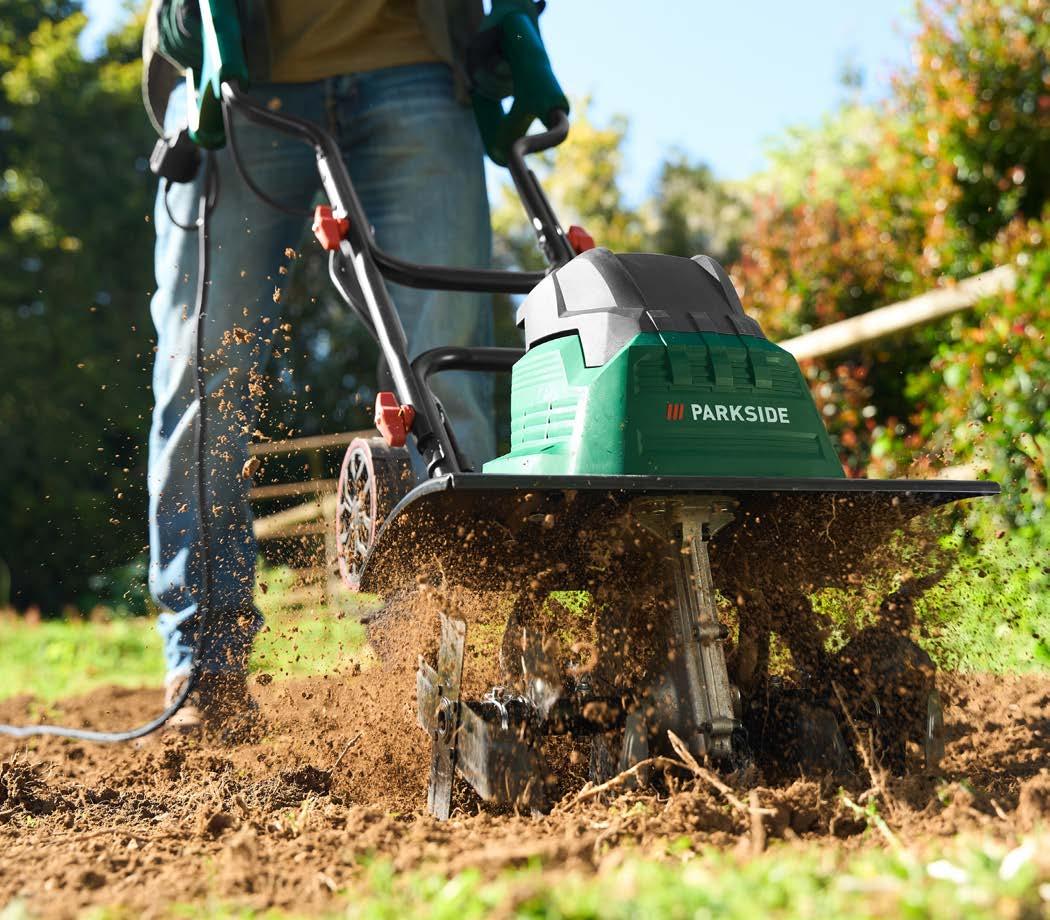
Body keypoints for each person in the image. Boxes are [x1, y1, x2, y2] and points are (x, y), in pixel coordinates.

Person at [142, 0, 512, 736]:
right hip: (238, 68)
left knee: (444, 368)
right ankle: (205, 660)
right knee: (204, 367)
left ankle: (441, 655)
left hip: (415, 59)